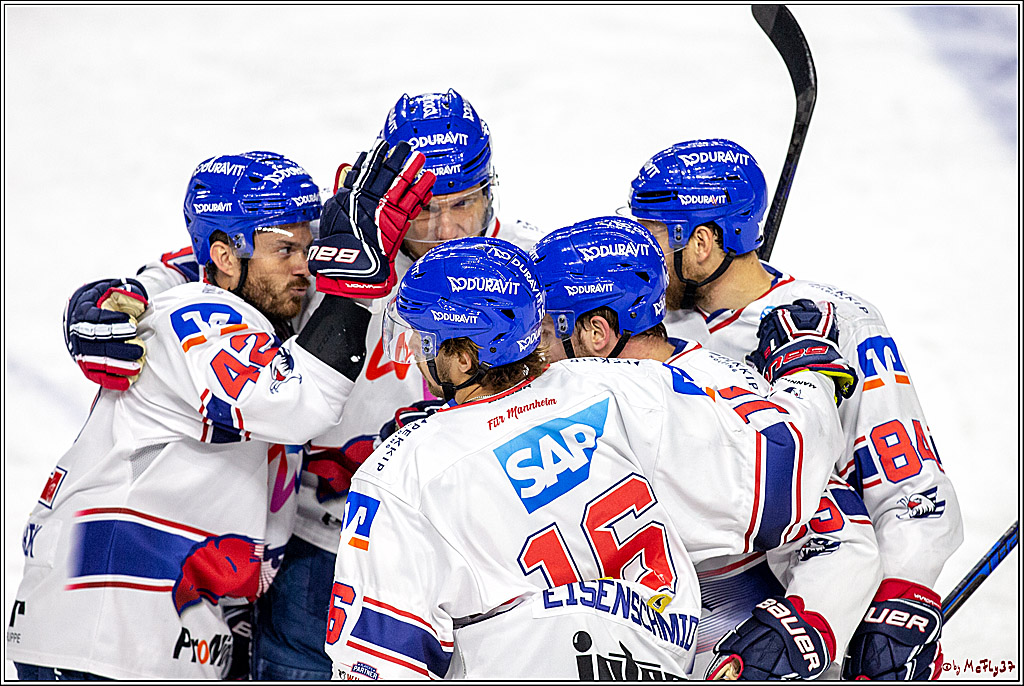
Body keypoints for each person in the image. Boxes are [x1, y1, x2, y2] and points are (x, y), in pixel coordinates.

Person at [55, 89, 547, 680]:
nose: (444, 229)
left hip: (479, 552)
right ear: (395, 194)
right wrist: (117, 298)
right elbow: (212, 270)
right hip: (324, 550)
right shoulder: (345, 242)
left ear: (491, 192)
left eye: (463, 204)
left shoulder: (527, 264)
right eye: (426, 208)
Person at [323, 234, 852, 679]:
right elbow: (784, 479)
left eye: (422, 338)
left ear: (462, 357)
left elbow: (379, 664)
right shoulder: (622, 388)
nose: (414, 350)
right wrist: (808, 377)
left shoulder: (405, 469)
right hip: (666, 661)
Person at [6, 144, 434, 679]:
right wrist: (356, 283)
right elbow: (297, 401)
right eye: (285, 251)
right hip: (105, 630)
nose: (306, 268)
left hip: (155, 631)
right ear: (227, 256)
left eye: (310, 247)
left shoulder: (254, 313)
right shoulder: (198, 314)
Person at [626, 138, 962, 680]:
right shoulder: (645, 325)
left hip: (797, 620)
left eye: (653, 235)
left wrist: (902, 600)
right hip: (667, 611)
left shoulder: (838, 321)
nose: (636, 253)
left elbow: (909, 482)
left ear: (704, 244)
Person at [532, 215, 883, 678]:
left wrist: (800, 628)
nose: (526, 353)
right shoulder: (710, 374)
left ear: (597, 333)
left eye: (542, 334)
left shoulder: (664, 395)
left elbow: (831, 523)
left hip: (690, 648)